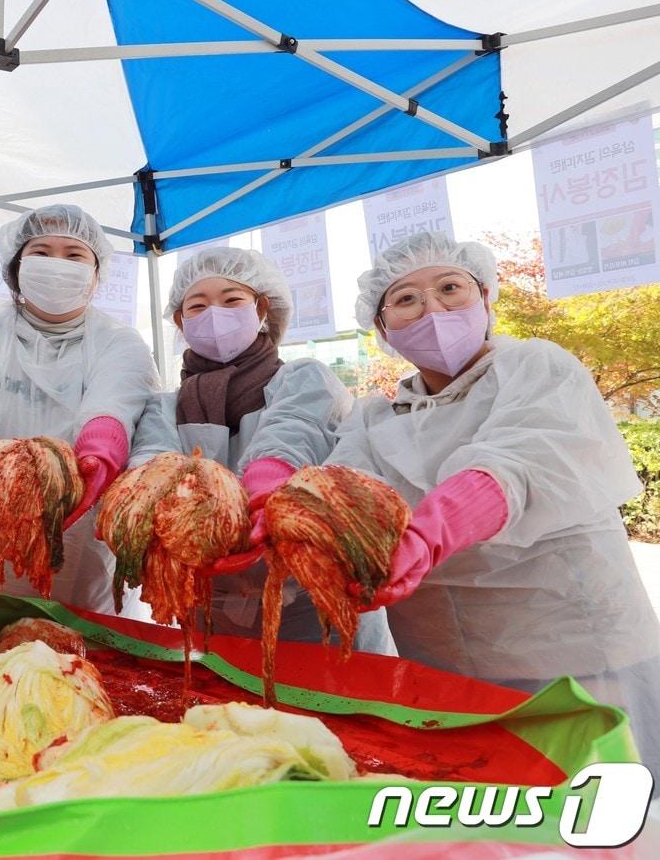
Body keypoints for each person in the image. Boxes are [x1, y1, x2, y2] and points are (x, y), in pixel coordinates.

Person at [331, 230, 660, 773]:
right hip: (442, 661)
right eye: (406, 299)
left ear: (485, 298)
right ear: (383, 329)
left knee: (605, 810)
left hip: (569, 646)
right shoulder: (375, 419)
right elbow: (343, 491)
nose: (432, 308)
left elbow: (517, 460)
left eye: (450, 288)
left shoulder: (537, 367)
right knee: (494, 816)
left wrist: (432, 530)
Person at [127, 246, 393, 652]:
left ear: (262, 307)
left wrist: (266, 482)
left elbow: (293, 432)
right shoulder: (164, 407)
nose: (214, 314)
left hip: (314, 606)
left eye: (232, 300)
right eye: (197, 306)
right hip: (208, 613)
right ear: (181, 321)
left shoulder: (304, 379)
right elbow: (151, 469)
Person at [0, 204, 157, 612]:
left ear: (96, 272)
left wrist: (100, 452)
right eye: (41, 252)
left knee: (79, 650)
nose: (58, 264)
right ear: (17, 265)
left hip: (79, 521)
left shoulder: (119, 342)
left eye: (74, 255)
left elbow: (115, 401)